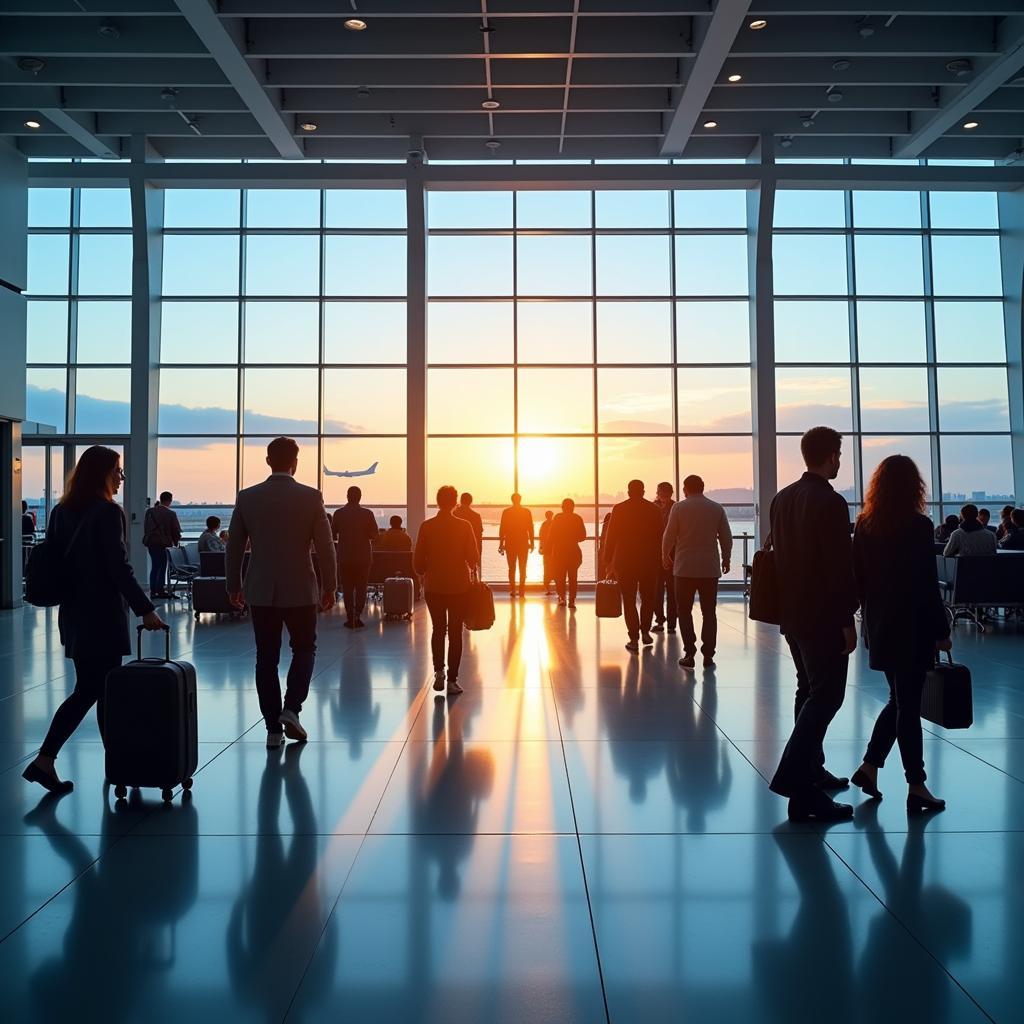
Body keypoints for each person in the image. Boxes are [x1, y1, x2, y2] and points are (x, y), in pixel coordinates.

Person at [23, 446, 166, 793]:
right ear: (102, 473)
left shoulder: (61, 511)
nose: (121, 477)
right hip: (101, 614)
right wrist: (145, 608)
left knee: (100, 690)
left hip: (73, 613)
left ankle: (116, 761)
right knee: (92, 690)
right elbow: (117, 567)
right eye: (118, 471)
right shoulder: (107, 512)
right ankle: (47, 759)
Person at [767, 426, 859, 823]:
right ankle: (798, 785)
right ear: (830, 455)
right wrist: (846, 618)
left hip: (792, 614)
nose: (840, 461)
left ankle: (811, 770)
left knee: (807, 689)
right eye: (838, 454)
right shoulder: (830, 502)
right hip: (823, 616)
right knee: (827, 695)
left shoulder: (782, 498)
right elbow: (838, 568)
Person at [849, 455, 950, 812]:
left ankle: (870, 766)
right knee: (908, 706)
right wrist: (941, 629)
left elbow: (857, 579)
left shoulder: (864, 525)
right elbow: (926, 585)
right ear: (913, 487)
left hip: (880, 625)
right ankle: (916, 783)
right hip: (912, 626)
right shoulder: (918, 526)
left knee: (899, 699)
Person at [226, 437, 336, 749]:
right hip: (301, 588)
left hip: (260, 589)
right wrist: (331, 586)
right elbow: (326, 548)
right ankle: (292, 708)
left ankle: (273, 729)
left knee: (266, 658)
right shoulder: (311, 497)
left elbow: (234, 547)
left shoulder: (247, 497)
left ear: (267, 460)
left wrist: (233, 585)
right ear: (296, 462)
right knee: (304, 649)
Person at [661, 474, 732, 670]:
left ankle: (689, 652)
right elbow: (726, 537)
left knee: (684, 611)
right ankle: (708, 654)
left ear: (685, 489)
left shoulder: (678, 508)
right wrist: (726, 558)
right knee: (709, 612)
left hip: (684, 568)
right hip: (709, 568)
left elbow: (669, 534)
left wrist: (665, 555)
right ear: (702, 487)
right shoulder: (716, 508)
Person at [413, 485, 478, 695]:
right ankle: (452, 681)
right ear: (455, 501)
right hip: (459, 586)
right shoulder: (464, 526)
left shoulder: (427, 526)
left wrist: (424, 572)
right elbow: (473, 557)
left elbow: (418, 559)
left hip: (435, 586)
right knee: (456, 633)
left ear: (438, 501)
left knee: (438, 630)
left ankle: (438, 671)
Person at [603, 479, 664, 653]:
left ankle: (634, 638)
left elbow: (611, 536)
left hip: (625, 562)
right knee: (648, 599)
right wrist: (662, 557)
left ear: (628, 492)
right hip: (649, 561)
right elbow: (661, 535)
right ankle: (645, 631)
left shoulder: (619, 509)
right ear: (643, 492)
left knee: (629, 601)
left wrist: (608, 560)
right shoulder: (654, 510)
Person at [331, 485, 379, 629]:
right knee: (361, 587)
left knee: (347, 587)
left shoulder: (339, 513)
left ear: (347, 496)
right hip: (363, 556)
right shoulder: (368, 514)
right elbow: (374, 535)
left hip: (345, 555)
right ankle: (357, 614)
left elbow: (333, 533)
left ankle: (349, 615)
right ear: (360, 497)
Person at [142, 490, 181, 599]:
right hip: (162, 543)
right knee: (162, 566)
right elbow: (175, 530)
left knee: (154, 566)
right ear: (170, 500)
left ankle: (153, 591)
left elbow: (146, 526)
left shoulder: (149, 511)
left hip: (150, 542)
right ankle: (160, 590)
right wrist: (176, 542)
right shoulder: (171, 514)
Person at [549, 498, 587, 609]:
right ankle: (572, 600)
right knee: (573, 577)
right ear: (573, 507)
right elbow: (583, 536)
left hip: (559, 552)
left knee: (560, 577)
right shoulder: (577, 518)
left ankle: (562, 597)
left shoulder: (558, 518)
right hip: (573, 551)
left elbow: (552, 535)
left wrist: (546, 549)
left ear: (562, 507)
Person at [651, 482, 677, 634]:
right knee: (665, 589)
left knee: (661, 589)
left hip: (663, 554)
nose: (664, 496)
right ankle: (666, 621)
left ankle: (664, 621)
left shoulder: (653, 508)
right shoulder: (676, 507)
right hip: (669, 553)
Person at [498, 492, 534, 598]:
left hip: (510, 542)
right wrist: (532, 543)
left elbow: (502, 528)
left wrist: (501, 543)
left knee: (511, 567)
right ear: (520, 499)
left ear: (512, 500)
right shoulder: (526, 512)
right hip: (523, 542)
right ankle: (522, 590)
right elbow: (530, 528)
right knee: (523, 568)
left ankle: (513, 590)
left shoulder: (506, 512)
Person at [453, 492, 483, 574]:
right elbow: (479, 537)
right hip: (471, 550)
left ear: (461, 501)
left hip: (456, 551)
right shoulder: (476, 516)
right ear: (471, 501)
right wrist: (479, 553)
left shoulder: (454, 514)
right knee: (473, 574)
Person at [539, 510, 555, 595]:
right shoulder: (554, 524)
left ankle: (547, 588)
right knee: (555, 567)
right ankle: (557, 589)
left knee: (546, 568)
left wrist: (541, 548)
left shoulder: (544, 525)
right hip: (554, 549)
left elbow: (541, 537)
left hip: (546, 550)